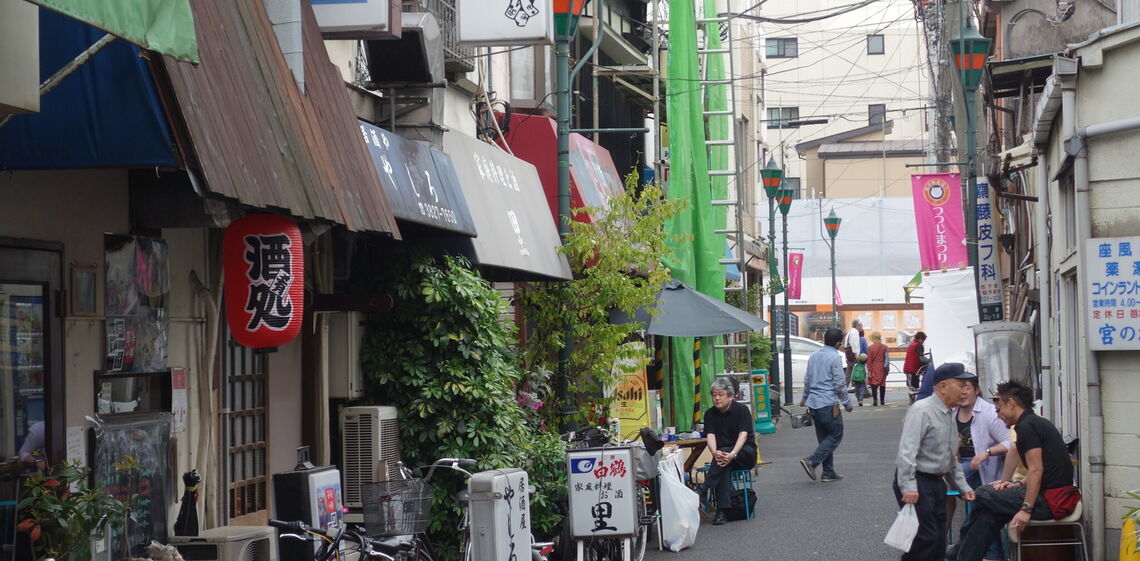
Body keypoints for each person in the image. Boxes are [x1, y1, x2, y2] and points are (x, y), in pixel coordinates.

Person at [948, 381, 1077, 561]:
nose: (998, 415)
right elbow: (1043, 468)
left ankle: (961, 548)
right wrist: (1016, 483)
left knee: (983, 493)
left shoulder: (1026, 427)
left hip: (1050, 501)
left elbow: (1036, 470)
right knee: (990, 513)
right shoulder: (1035, 423)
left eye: (999, 408)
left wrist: (1026, 508)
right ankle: (964, 556)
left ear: (1011, 403)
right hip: (1051, 495)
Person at [893, 363, 976, 561]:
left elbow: (951, 457)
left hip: (937, 482)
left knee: (938, 541)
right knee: (925, 539)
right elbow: (907, 451)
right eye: (961, 384)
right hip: (918, 481)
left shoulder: (948, 413)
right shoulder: (922, 410)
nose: (965, 390)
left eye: (967, 385)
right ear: (943, 386)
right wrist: (909, 486)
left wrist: (963, 487)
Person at [948, 376, 1010, 561]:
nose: (964, 392)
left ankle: (964, 548)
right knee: (980, 506)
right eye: (961, 388)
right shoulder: (952, 412)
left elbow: (1009, 442)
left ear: (977, 390)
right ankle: (979, 552)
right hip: (958, 465)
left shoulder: (990, 412)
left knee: (978, 502)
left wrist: (987, 452)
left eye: (968, 388)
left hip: (983, 466)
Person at [798, 326, 852, 482]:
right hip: (828, 402)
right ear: (837, 343)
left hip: (813, 403)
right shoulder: (835, 358)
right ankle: (811, 461)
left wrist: (804, 398)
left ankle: (828, 472)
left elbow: (807, 379)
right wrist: (847, 403)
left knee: (824, 438)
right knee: (835, 435)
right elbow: (840, 384)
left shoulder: (814, 356)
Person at [701, 377, 757, 525]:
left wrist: (733, 454)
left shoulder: (742, 410)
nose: (716, 398)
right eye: (714, 394)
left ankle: (704, 488)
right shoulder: (709, 414)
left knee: (725, 452)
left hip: (745, 453)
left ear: (731, 396)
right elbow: (710, 436)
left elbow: (743, 435)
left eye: (720, 394)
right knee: (723, 463)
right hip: (723, 459)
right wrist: (714, 452)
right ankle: (722, 511)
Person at [902, 331, 930, 399]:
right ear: (920, 339)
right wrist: (930, 361)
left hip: (907, 368)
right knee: (915, 388)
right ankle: (915, 402)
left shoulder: (912, 344)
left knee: (911, 387)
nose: (923, 342)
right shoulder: (919, 345)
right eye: (923, 340)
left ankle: (911, 401)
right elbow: (921, 358)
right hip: (914, 369)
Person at [866, 331, 890, 406]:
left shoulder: (870, 348)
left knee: (874, 384)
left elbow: (869, 360)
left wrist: (869, 370)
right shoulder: (885, 347)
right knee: (882, 384)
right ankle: (882, 401)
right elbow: (887, 358)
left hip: (874, 366)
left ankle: (875, 400)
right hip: (882, 366)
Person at [843, 319, 862, 388]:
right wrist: (856, 355)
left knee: (849, 372)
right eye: (861, 325)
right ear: (857, 325)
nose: (862, 327)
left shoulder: (850, 331)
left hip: (848, 355)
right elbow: (855, 344)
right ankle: (863, 389)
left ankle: (845, 386)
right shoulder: (855, 332)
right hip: (853, 355)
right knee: (859, 372)